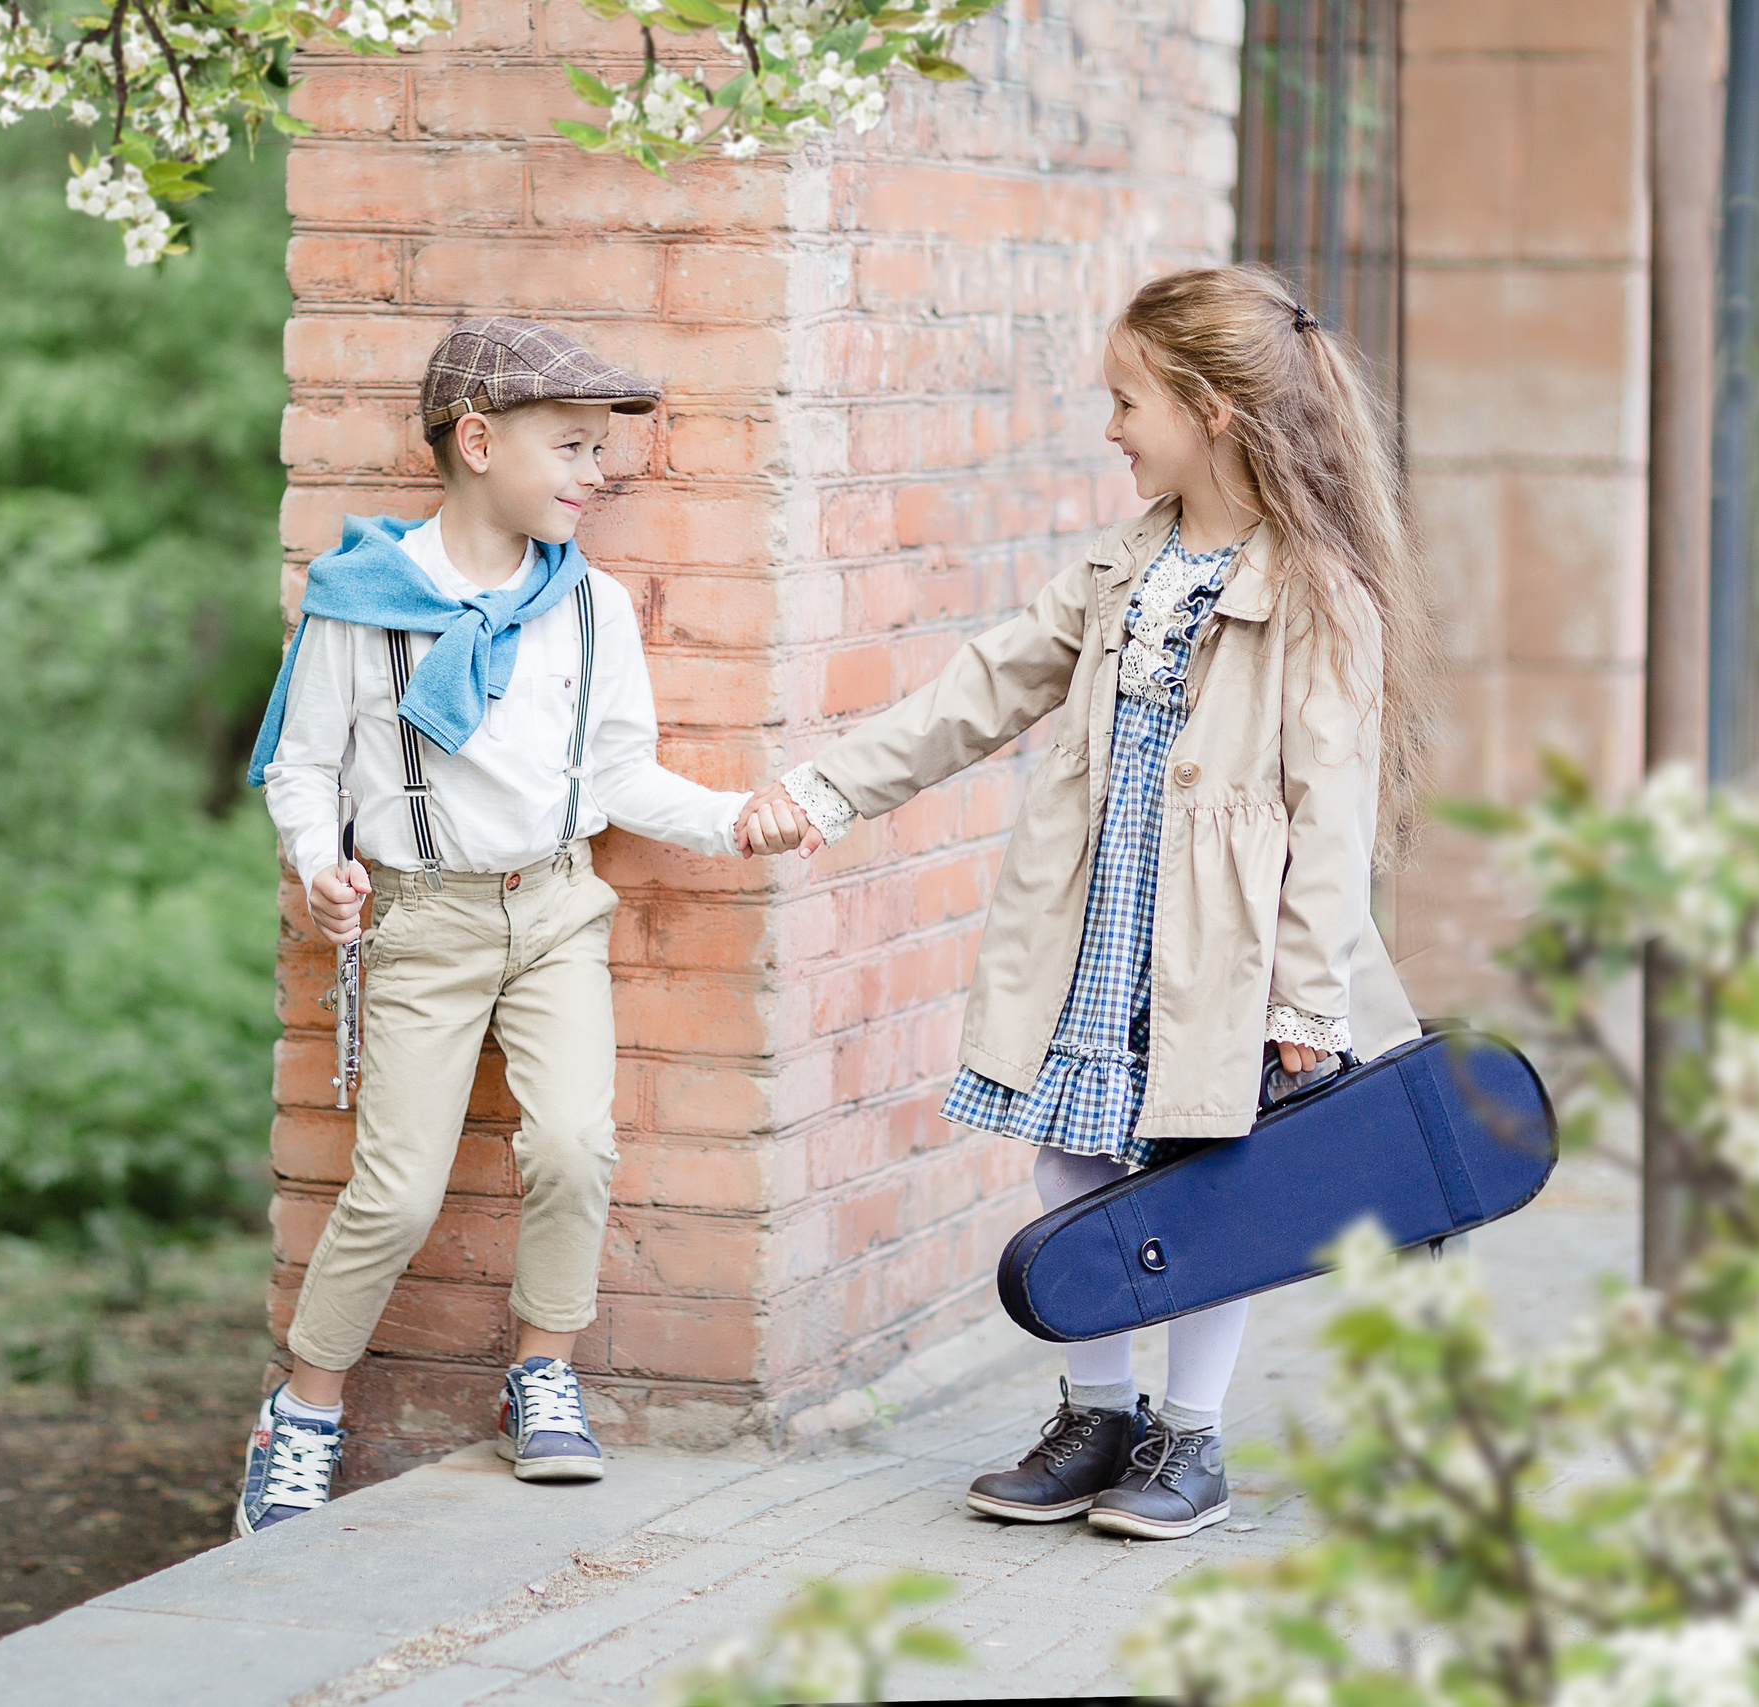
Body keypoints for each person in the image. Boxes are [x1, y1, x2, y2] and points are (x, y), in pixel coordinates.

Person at [739, 265, 1436, 1541]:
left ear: (1212, 409)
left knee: (1202, 1176)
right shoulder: (1123, 564)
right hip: (1094, 921)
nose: (1110, 428)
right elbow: (980, 687)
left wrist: (1305, 996)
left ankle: (1193, 1437)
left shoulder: (1318, 595)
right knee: (1069, 1144)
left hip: (1222, 947)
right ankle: (1096, 1410)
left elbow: (1329, 821)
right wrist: (825, 790)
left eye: (1128, 401)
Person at [240, 316, 806, 1536]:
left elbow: (619, 774)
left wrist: (729, 819)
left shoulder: (588, 606)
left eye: (600, 450)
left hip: (553, 911)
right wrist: (319, 861)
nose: (595, 474)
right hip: (420, 924)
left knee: (570, 1147)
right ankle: (304, 1408)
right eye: (571, 448)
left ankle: (543, 1372)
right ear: (478, 440)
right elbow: (301, 765)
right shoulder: (361, 604)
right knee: (393, 1193)